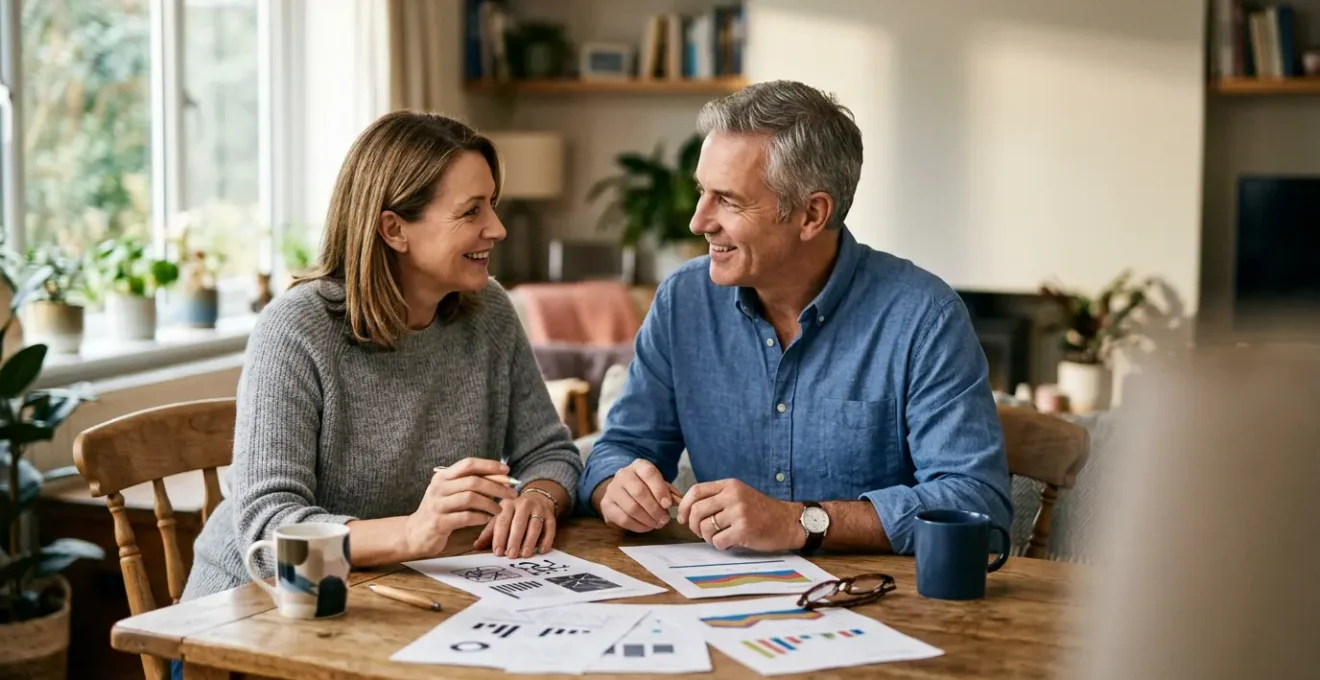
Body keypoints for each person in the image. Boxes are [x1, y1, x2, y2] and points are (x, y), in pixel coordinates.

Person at [579, 80, 1011, 556]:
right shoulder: (683, 301)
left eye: (728, 199)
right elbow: (618, 449)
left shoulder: (924, 318)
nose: (698, 222)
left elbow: (978, 504)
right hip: (717, 592)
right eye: (702, 191)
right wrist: (615, 487)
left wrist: (802, 522)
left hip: (876, 595)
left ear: (811, 214)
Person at [181, 111, 583, 605]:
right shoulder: (295, 329)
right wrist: (412, 532)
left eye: (492, 205)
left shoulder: (489, 312)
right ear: (394, 229)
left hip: (391, 593)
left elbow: (549, 452)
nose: (497, 229)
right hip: (257, 608)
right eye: (471, 211)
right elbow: (269, 535)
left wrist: (539, 498)